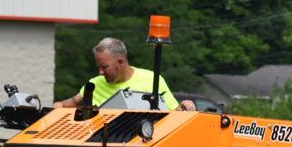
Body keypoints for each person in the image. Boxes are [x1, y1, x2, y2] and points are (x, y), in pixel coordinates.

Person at [53, 38, 195, 111]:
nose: (100, 72)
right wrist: (58, 106)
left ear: (120, 62)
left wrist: (184, 107)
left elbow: (173, 114)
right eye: (99, 67)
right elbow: (71, 103)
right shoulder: (94, 84)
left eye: (104, 67)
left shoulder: (152, 80)